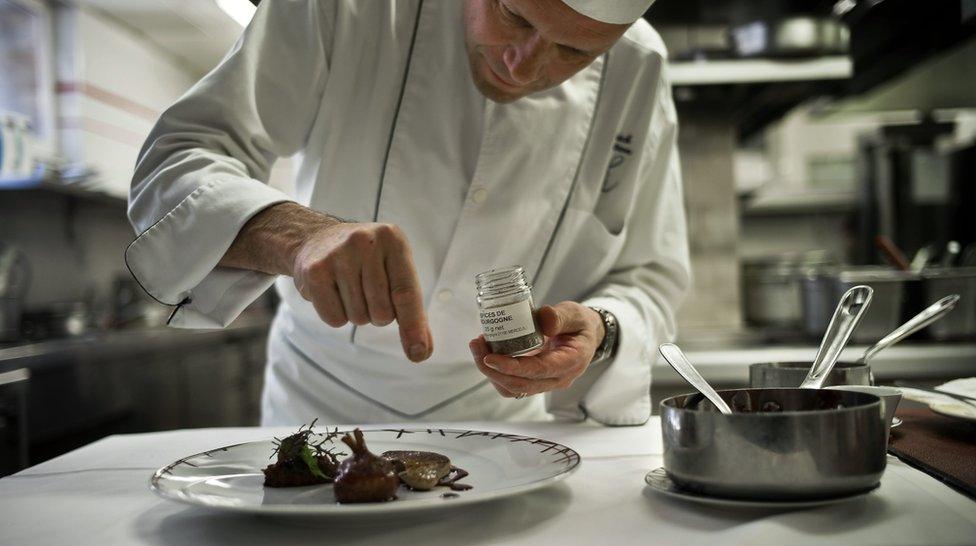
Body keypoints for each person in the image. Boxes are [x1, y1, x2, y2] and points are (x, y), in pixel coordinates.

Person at [126, 0, 690, 426]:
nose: (524, 67)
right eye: (515, 16)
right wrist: (298, 238)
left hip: (506, 425)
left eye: (574, 52)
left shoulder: (639, 66)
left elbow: (652, 276)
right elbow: (175, 163)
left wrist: (604, 328)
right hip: (320, 405)